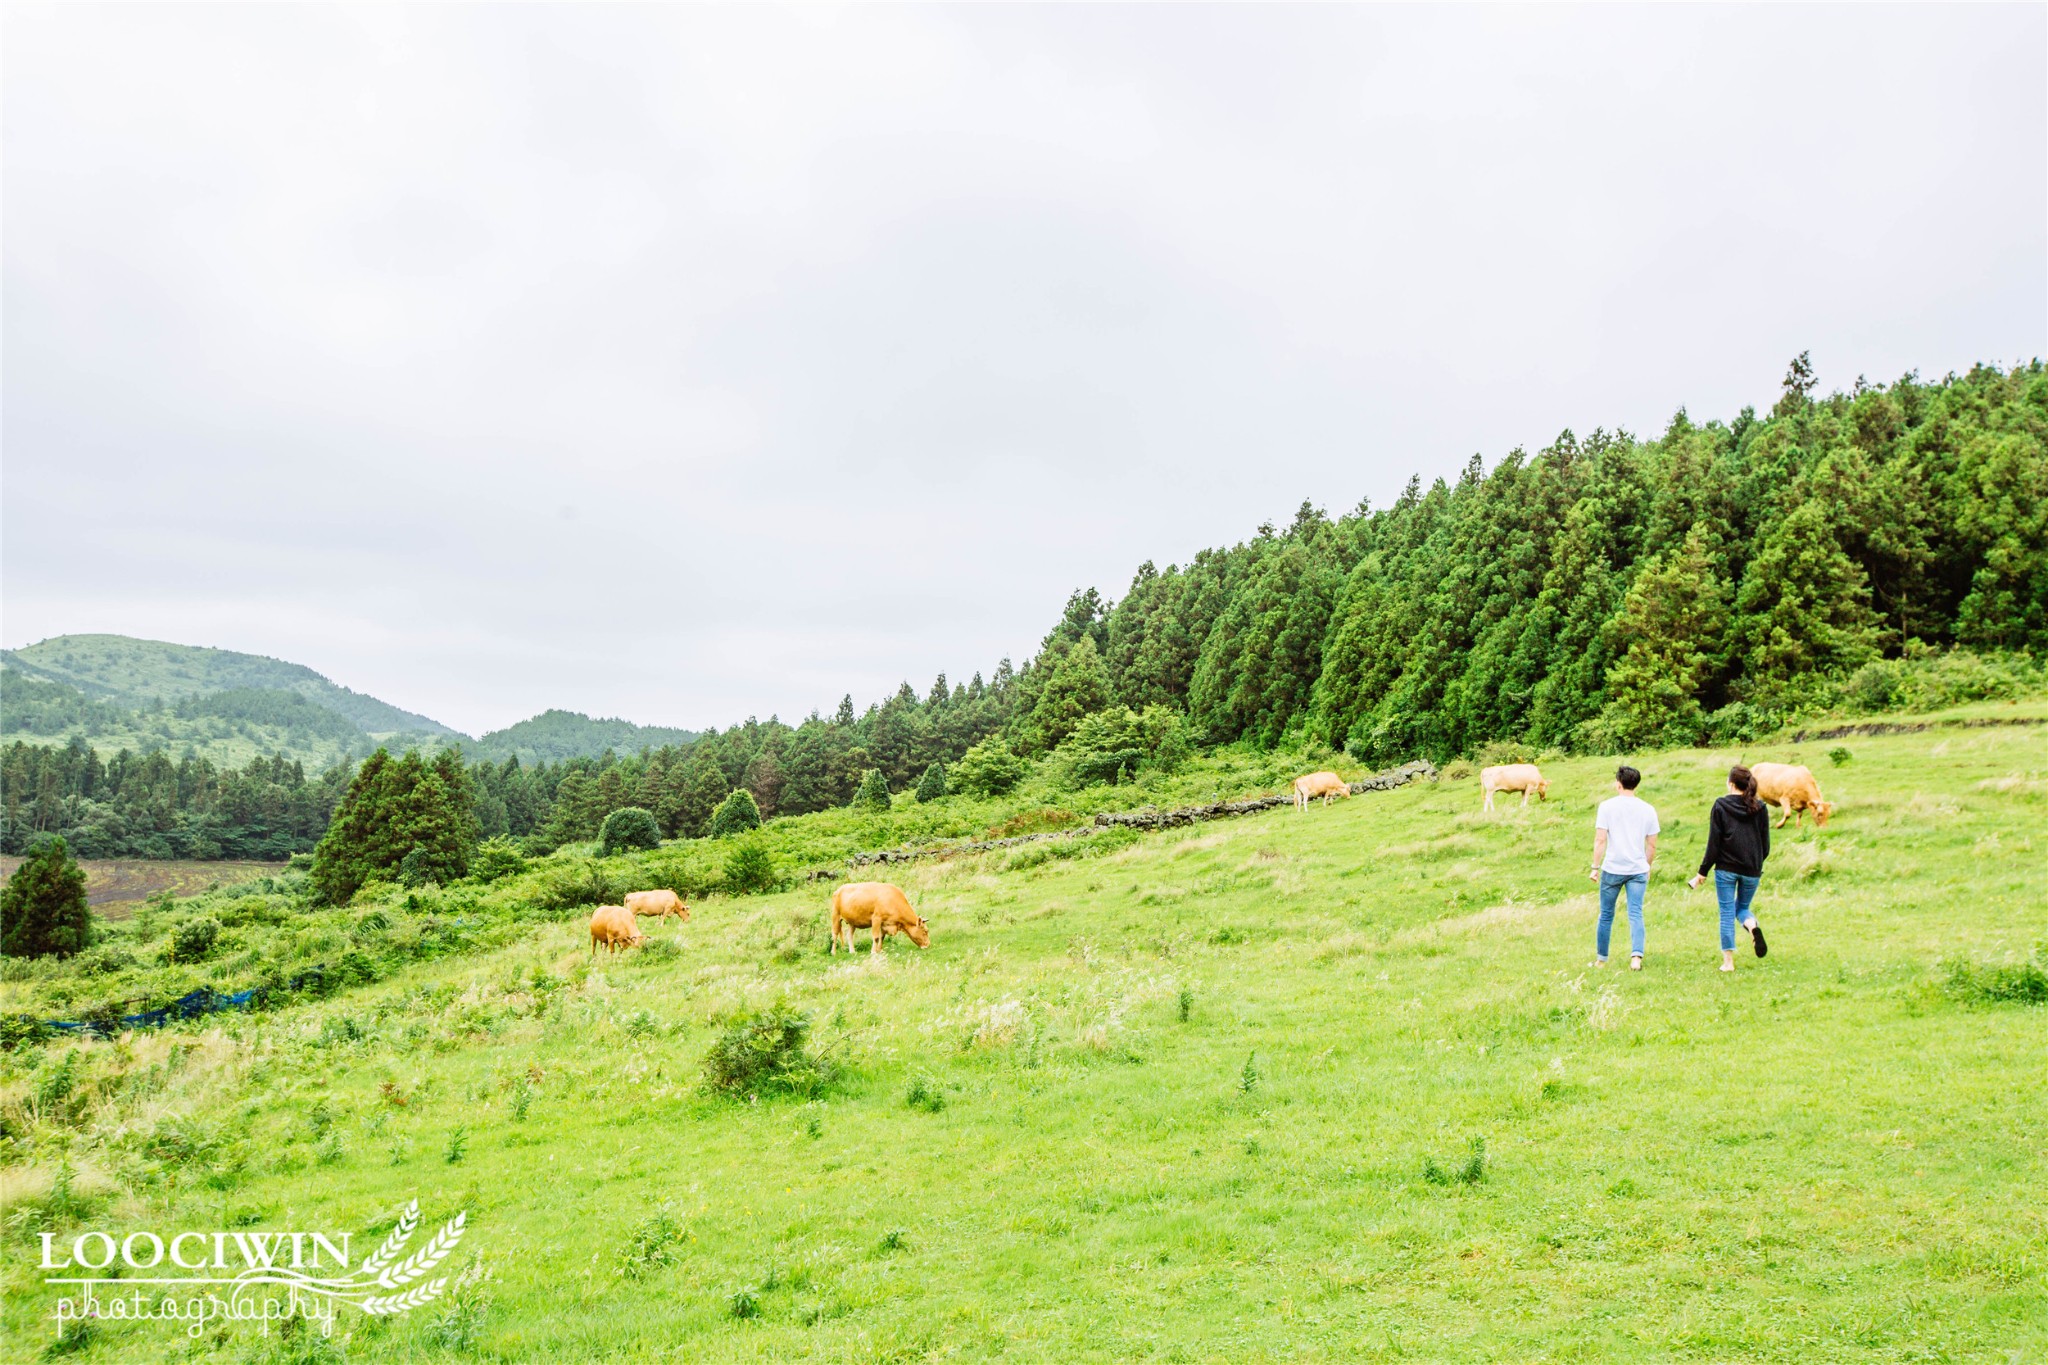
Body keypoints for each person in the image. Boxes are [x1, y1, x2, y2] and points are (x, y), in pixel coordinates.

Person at [1689, 764, 1771, 972]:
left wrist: (1702, 872)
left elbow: (1713, 843)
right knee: (1742, 908)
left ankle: (1728, 962)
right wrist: (1756, 862)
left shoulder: (1720, 805)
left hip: (1726, 868)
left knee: (1727, 912)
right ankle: (1752, 927)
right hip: (1752, 869)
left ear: (1731, 783)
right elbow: (1765, 844)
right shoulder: (1760, 807)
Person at [1589, 765, 1659, 969]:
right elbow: (1652, 844)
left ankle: (1601, 959)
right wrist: (1647, 866)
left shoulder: (1606, 807)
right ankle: (1636, 957)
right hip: (1637, 868)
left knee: (1606, 914)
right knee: (1635, 912)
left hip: (1612, 868)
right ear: (1636, 784)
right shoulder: (1648, 809)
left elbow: (1600, 840)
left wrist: (1595, 867)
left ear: (1618, 784)